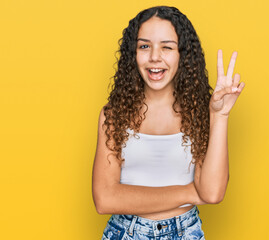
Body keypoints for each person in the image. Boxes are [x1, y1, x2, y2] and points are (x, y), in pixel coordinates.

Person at [92, 5, 245, 240]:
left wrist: (220, 115)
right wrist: (191, 193)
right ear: (133, 54)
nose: (155, 56)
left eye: (167, 47)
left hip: (187, 232)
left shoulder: (201, 113)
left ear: (182, 54)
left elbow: (213, 193)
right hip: (125, 233)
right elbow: (105, 199)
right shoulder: (114, 115)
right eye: (144, 46)